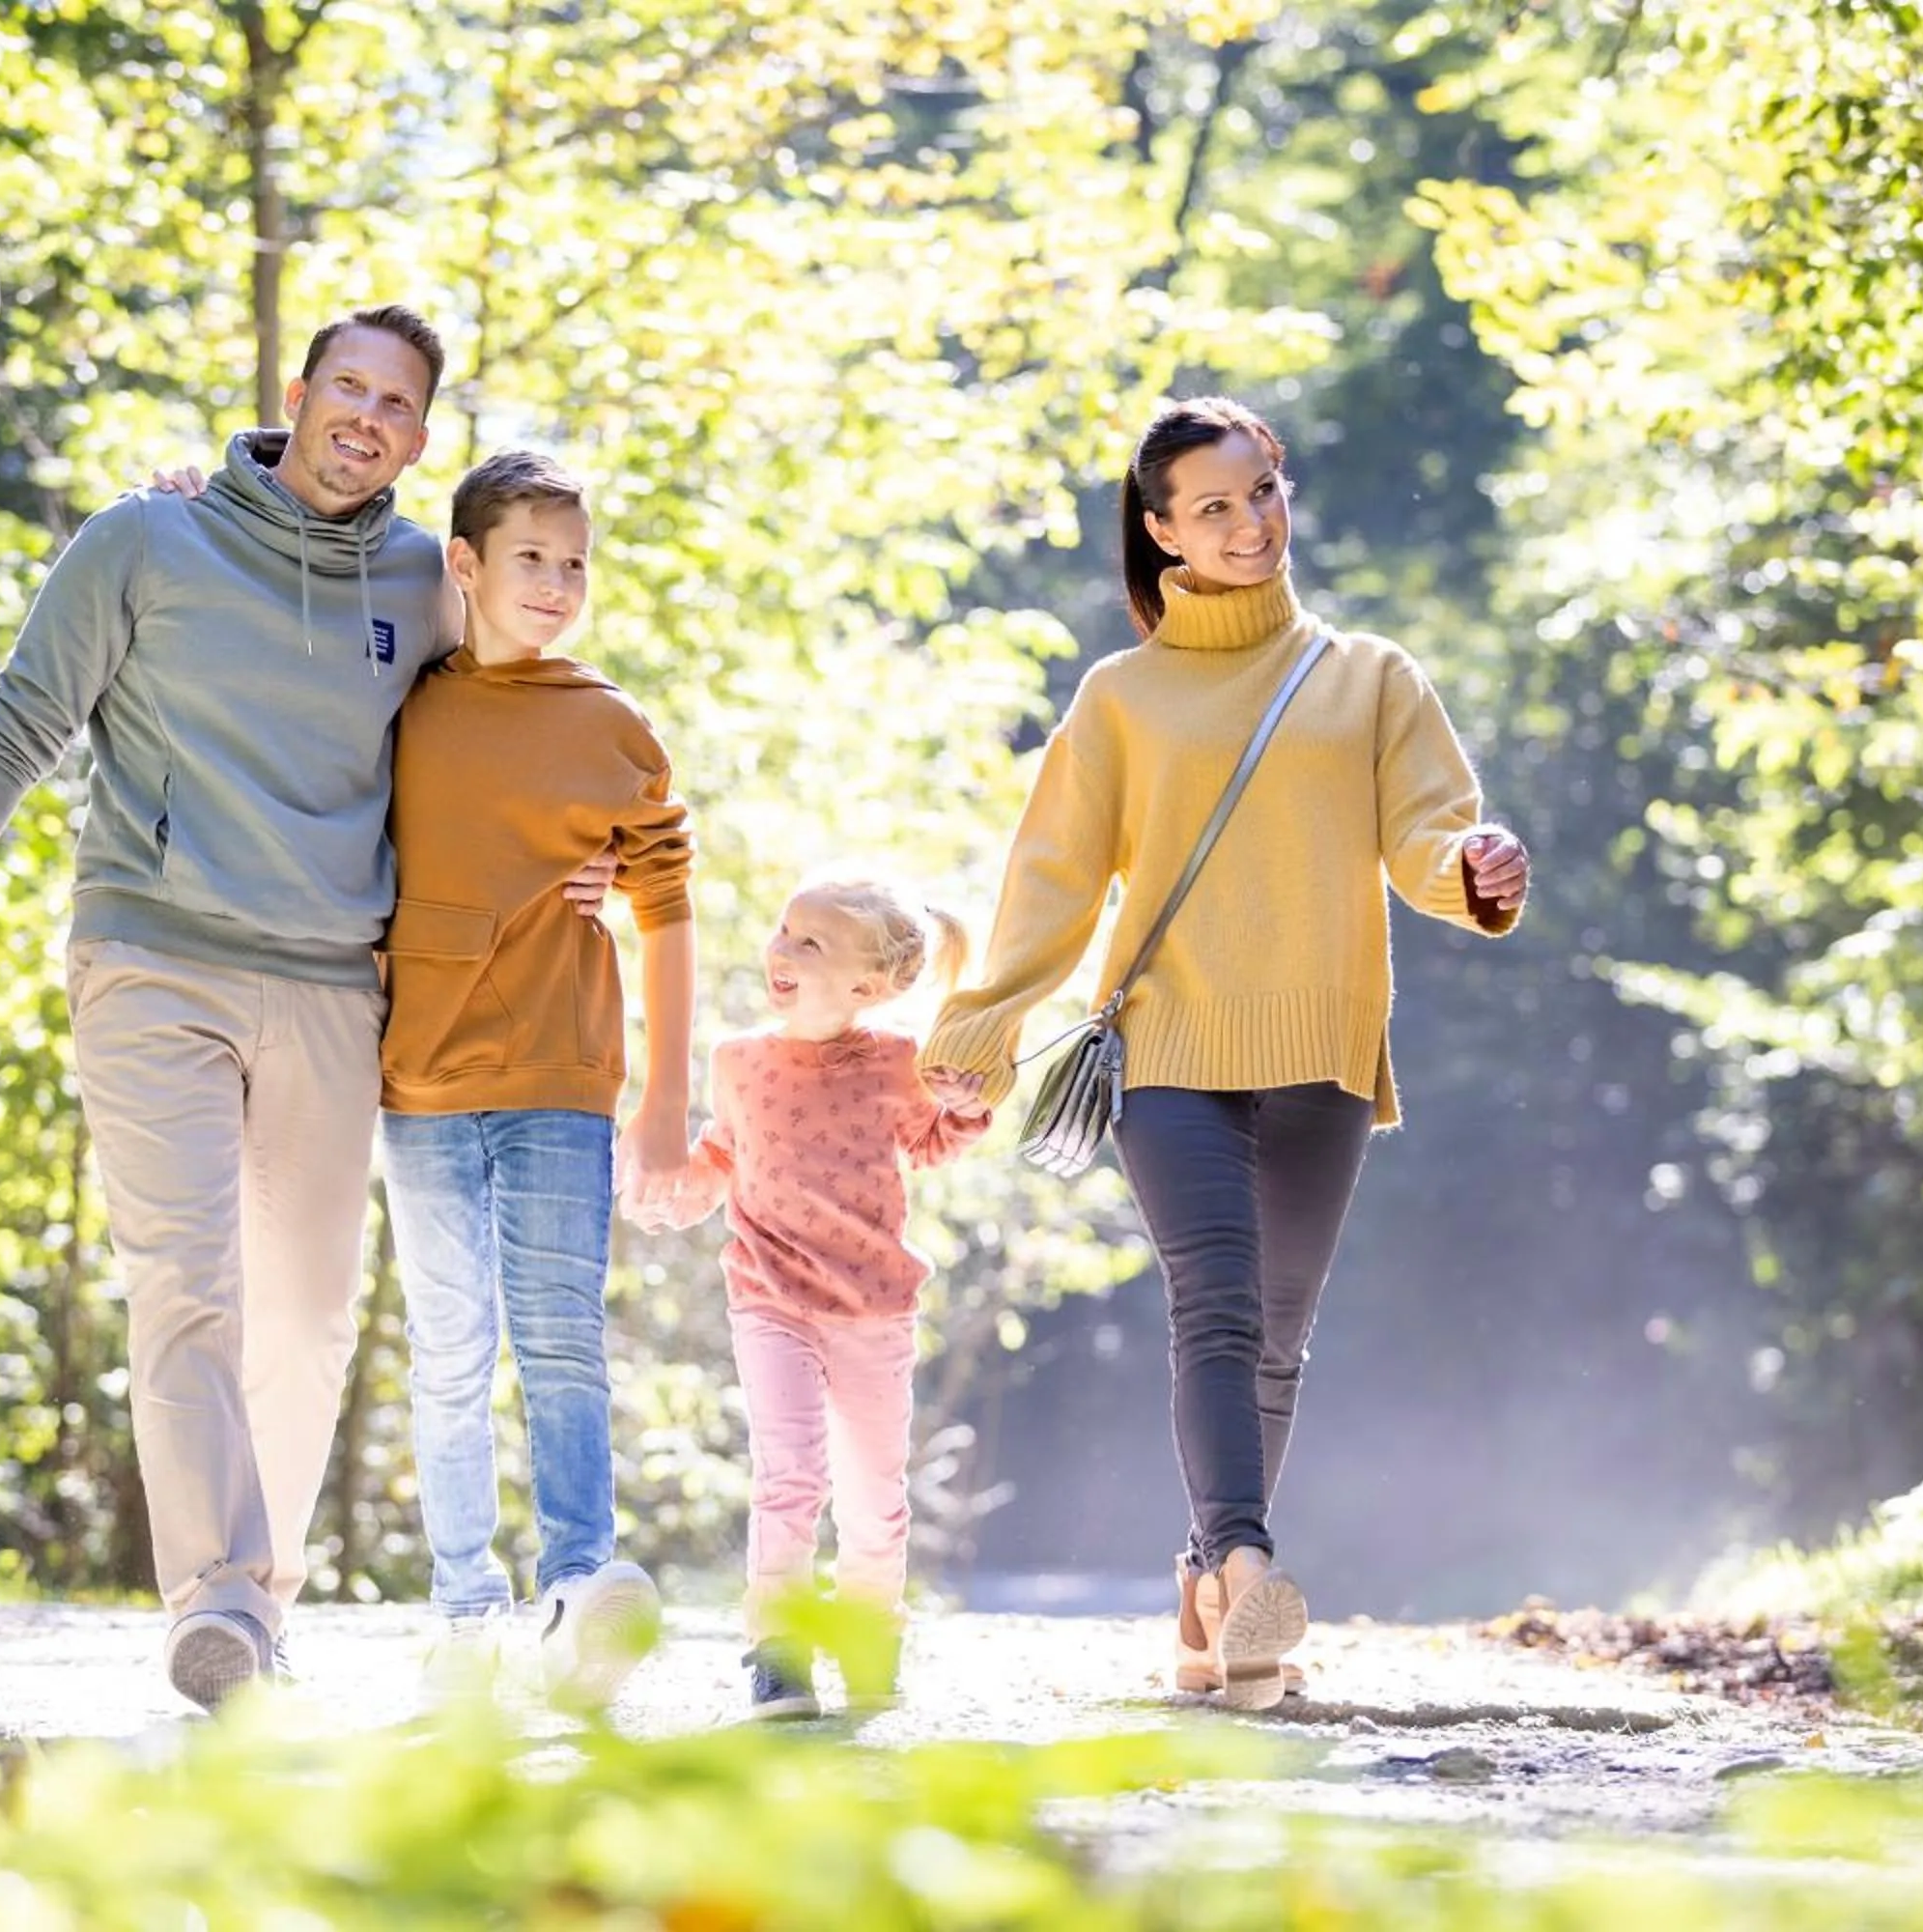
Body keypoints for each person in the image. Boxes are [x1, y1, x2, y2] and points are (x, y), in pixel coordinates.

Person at [0, 306, 608, 1714]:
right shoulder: (147, 541)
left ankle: (260, 1600)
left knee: (309, 1315)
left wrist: (596, 846)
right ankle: (221, 1607)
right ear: (296, 394)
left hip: (333, 985)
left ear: (421, 438)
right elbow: (14, 724)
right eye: (348, 389)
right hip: (154, 959)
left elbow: (517, 706)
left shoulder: (421, 581)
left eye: (397, 404)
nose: (366, 418)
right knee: (184, 1280)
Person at [918, 396, 1531, 1711]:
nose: (1250, 522)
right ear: (1162, 534)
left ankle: (1206, 1598)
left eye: (1263, 490)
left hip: (1319, 1044)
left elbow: (1431, 837)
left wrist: (1474, 869)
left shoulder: (1370, 678)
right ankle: (1249, 1563)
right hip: (1170, 1048)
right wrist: (982, 1025)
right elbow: (1054, 880)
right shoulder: (1122, 698)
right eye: (1214, 506)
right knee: (1219, 1300)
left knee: (1278, 1336)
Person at [376, 448, 695, 1711]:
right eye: (531, 561)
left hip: (565, 1076)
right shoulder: (406, 704)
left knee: (561, 1338)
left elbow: (668, 906)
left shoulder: (612, 724)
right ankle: (464, 1609)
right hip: (421, 1080)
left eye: (574, 563)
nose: (558, 583)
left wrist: (666, 1099)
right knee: (450, 1350)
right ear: (466, 566)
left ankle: (576, 1584)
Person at [651, 879, 991, 1720]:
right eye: (784, 932)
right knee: (789, 1476)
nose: (782, 950)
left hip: (874, 1309)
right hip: (770, 1298)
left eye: (811, 945)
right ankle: (778, 1653)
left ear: (868, 988)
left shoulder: (896, 1063)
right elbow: (723, 1154)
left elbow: (935, 1141)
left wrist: (970, 1103)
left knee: (874, 1492)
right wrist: (677, 1188)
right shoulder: (738, 1061)